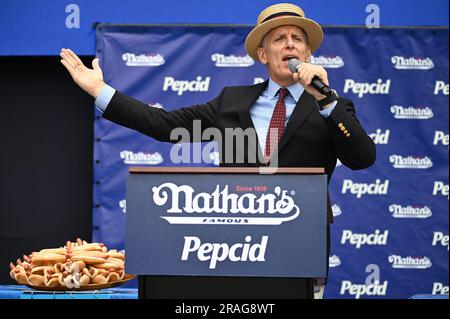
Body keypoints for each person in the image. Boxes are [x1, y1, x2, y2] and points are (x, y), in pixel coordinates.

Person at [60, 3, 376, 298]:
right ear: (263, 54)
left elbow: (362, 158)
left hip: (301, 250)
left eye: (297, 39)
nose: (290, 44)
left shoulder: (332, 107)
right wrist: (100, 91)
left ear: (308, 53)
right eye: (280, 38)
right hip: (236, 248)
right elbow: (164, 125)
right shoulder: (232, 101)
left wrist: (326, 101)